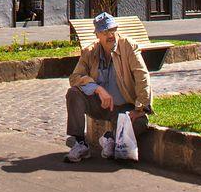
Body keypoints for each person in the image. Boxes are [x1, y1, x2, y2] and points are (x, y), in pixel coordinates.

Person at [65, 12, 152, 162]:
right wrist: (98, 89)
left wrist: (140, 107)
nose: (110, 35)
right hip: (99, 104)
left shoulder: (128, 47)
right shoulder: (90, 52)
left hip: (123, 106)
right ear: (97, 35)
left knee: (141, 122)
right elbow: (74, 78)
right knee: (73, 93)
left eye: (112, 30)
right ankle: (80, 143)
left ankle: (109, 138)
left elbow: (142, 76)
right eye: (104, 32)